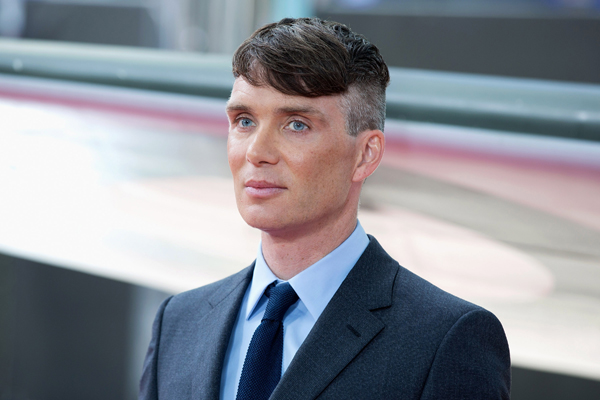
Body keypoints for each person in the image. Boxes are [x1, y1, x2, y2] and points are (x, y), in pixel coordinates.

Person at [139, 17, 511, 400]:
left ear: (365, 155)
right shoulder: (179, 322)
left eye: (296, 125)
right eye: (244, 121)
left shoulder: (446, 339)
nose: (256, 152)